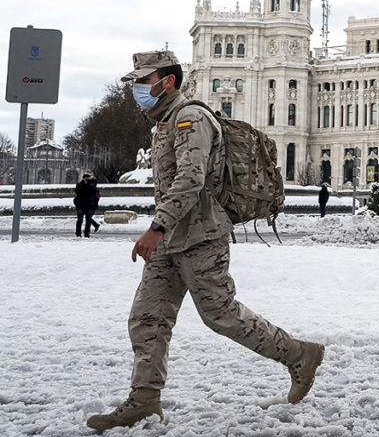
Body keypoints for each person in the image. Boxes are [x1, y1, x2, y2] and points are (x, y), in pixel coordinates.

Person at [87, 50, 325, 431]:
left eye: (143, 81)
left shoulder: (190, 118)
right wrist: (162, 232)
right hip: (170, 242)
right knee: (147, 319)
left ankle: (299, 355)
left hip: (200, 237)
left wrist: (156, 227)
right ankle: (145, 401)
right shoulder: (164, 122)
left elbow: (190, 179)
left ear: (168, 82)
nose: (137, 89)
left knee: (222, 315)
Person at [73, 172, 99, 237]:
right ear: (83, 178)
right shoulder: (79, 184)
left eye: (88, 178)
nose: (87, 179)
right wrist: (83, 184)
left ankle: (86, 233)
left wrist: (88, 184)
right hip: (81, 204)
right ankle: (78, 233)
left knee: (88, 220)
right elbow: (78, 191)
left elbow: (93, 191)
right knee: (80, 220)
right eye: (86, 178)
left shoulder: (91, 185)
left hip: (88, 204)